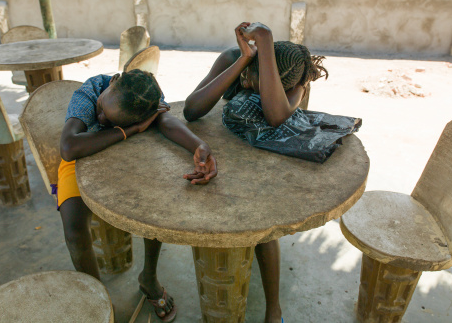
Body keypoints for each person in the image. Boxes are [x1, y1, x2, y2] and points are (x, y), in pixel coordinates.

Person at [183, 22, 327, 323]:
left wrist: (265, 36)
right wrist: (244, 60)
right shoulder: (233, 59)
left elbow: (276, 117)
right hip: (229, 147)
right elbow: (192, 110)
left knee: (264, 222)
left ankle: (273, 309)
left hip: (268, 160)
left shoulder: (297, 85)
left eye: (259, 84)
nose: (247, 83)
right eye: (252, 76)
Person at [58, 69, 218, 322]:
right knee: (74, 230)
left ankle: (148, 277)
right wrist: (128, 130)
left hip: (130, 156)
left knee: (151, 211)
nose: (100, 117)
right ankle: (98, 298)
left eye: (110, 119)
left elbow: (166, 122)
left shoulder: (148, 100)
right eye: (101, 109)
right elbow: (69, 147)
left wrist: (199, 147)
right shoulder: (92, 90)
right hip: (82, 156)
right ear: (112, 82)